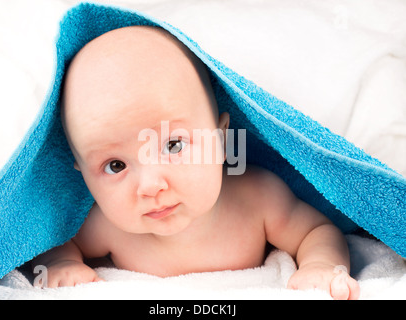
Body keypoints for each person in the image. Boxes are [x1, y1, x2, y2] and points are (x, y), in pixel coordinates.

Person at [32, 26, 360, 300]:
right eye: (115, 165)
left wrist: (322, 265)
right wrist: (62, 262)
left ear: (220, 141)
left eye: (173, 145)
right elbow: (52, 244)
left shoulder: (257, 199)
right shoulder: (104, 226)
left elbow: (315, 231)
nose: (150, 186)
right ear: (84, 176)